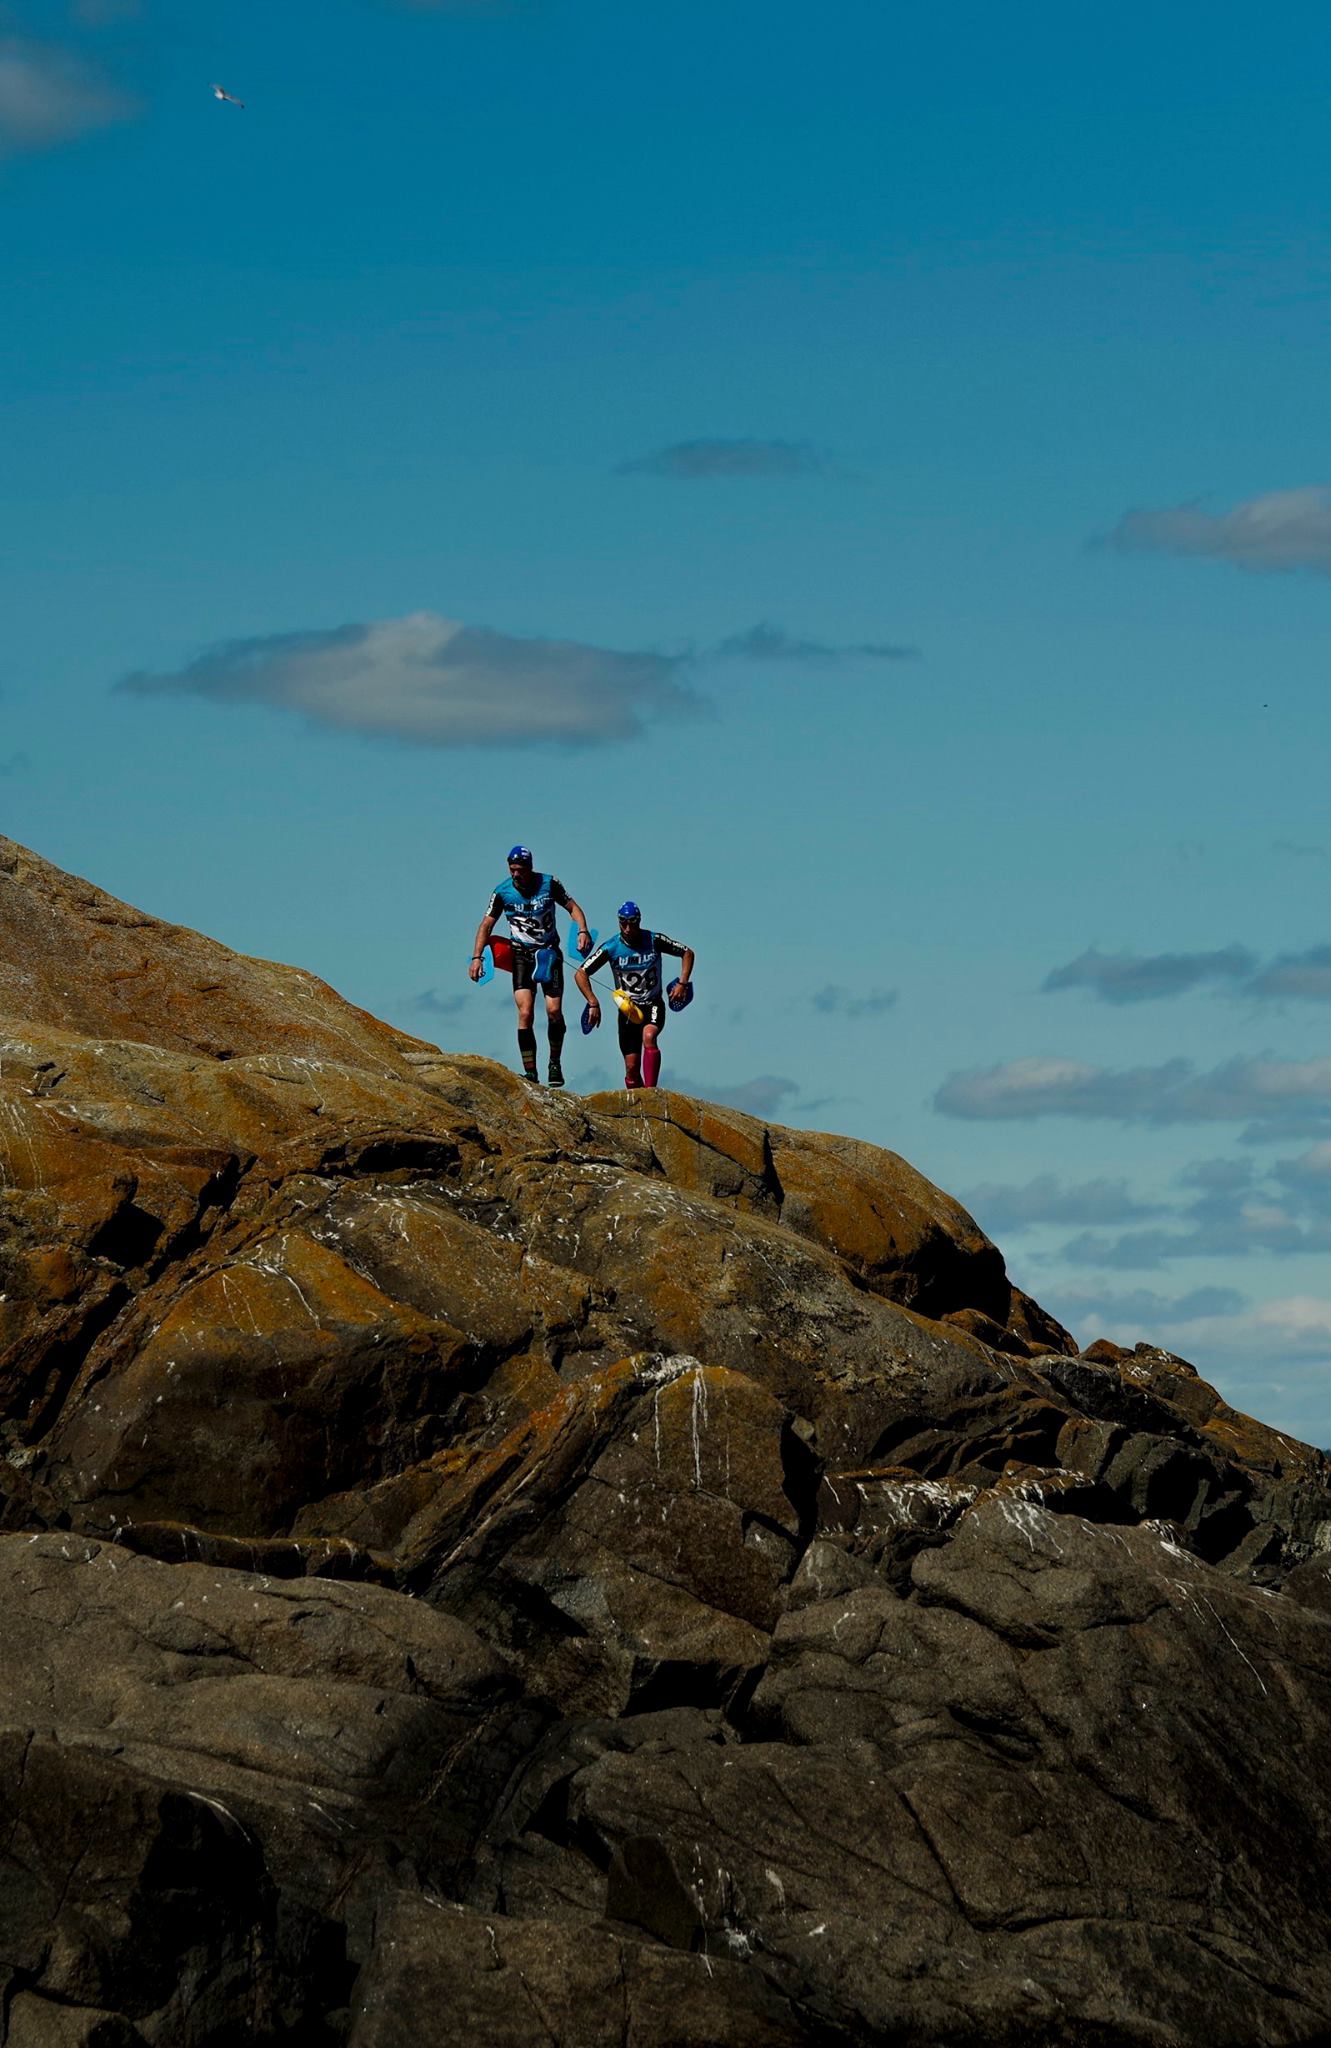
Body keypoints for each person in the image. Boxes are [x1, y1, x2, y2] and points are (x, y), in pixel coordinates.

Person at [470, 846, 592, 1087]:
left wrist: (582, 930)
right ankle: (531, 1072)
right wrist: (477, 957)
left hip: (549, 953)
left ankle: (554, 1063)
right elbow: (486, 925)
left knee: (553, 1011)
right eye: (512, 870)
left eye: (520, 870)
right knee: (525, 1012)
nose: (515, 874)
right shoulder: (502, 892)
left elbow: (574, 909)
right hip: (521, 955)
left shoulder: (549, 884)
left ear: (530, 867)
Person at [574, 902, 694, 1090]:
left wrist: (682, 983)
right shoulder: (611, 947)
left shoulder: (654, 940)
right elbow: (580, 973)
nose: (628, 928)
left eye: (633, 923)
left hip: (653, 1003)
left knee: (649, 1036)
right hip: (628, 1011)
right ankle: (637, 1108)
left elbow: (687, 953)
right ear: (619, 922)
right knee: (631, 1068)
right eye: (623, 923)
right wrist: (593, 1002)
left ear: (639, 921)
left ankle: (651, 1092)